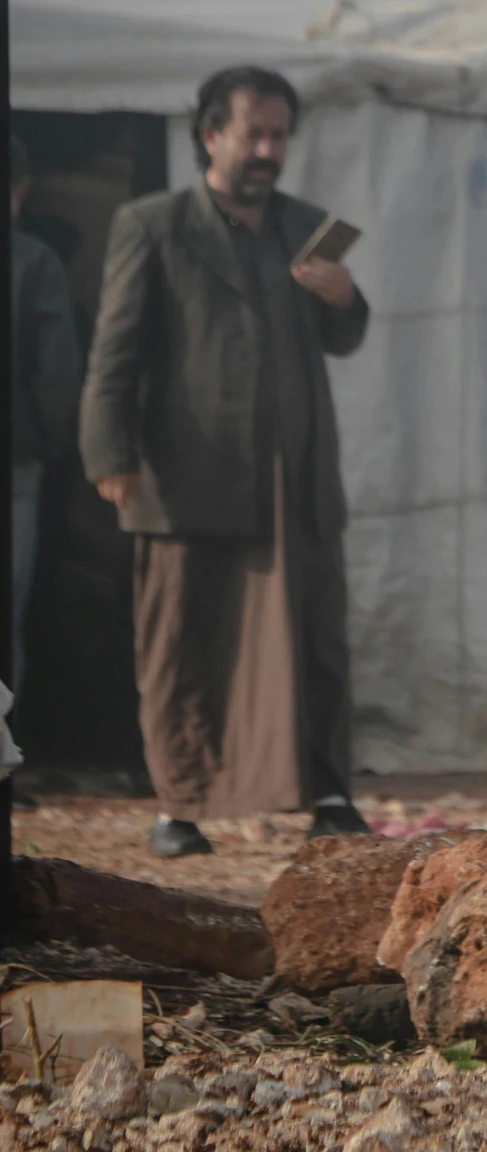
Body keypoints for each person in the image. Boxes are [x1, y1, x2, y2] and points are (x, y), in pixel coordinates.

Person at [79, 67, 371, 857]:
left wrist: (344, 296)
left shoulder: (307, 225)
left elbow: (342, 338)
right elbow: (114, 354)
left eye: (280, 136)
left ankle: (330, 794)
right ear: (210, 135)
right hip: (188, 476)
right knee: (184, 643)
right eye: (255, 135)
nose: (269, 151)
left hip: (295, 479)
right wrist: (109, 450)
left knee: (314, 641)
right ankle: (180, 805)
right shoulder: (154, 225)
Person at [10, 136, 82, 695]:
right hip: (15, 457)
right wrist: (53, 443)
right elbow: (56, 371)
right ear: (21, 189)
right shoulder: (34, 261)